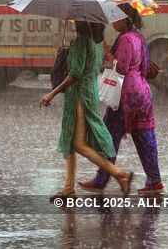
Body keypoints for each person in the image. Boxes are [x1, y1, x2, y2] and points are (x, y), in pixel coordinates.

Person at [40, 21, 133, 199]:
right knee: (70, 141)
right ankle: (68, 188)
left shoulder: (81, 42)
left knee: (79, 145)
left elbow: (75, 73)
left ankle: (120, 174)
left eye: (76, 21)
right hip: (89, 94)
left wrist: (51, 94)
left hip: (79, 97)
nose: (74, 23)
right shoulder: (96, 43)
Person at [79, 3, 164, 195]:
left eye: (115, 17)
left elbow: (121, 68)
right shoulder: (139, 37)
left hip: (126, 94)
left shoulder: (125, 39)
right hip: (143, 92)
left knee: (109, 137)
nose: (112, 22)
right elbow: (144, 65)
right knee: (145, 137)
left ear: (124, 19)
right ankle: (155, 180)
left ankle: (102, 178)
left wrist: (109, 55)